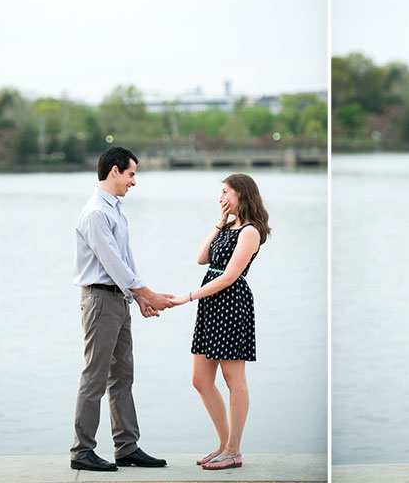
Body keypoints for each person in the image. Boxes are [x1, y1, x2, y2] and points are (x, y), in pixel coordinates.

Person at [70, 146, 175, 472]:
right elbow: (112, 263)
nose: (134, 181)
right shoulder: (96, 213)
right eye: (131, 174)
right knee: (94, 378)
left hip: (118, 298)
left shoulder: (114, 209)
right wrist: (151, 294)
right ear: (114, 171)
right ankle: (82, 451)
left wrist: (139, 297)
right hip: (100, 300)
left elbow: (125, 261)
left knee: (122, 376)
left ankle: (126, 447)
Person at [169, 173, 271, 471]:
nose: (221, 197)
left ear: (241, 193)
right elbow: (202, 258)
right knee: (200, 380)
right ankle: (224, 445)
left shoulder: (250, 231)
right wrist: (219, 221)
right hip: (211, 304)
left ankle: (234, 450)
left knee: (233, 379)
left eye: (226, 192)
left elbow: (229, 277)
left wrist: (187, 297)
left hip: (231, 304)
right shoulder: (228, 227)